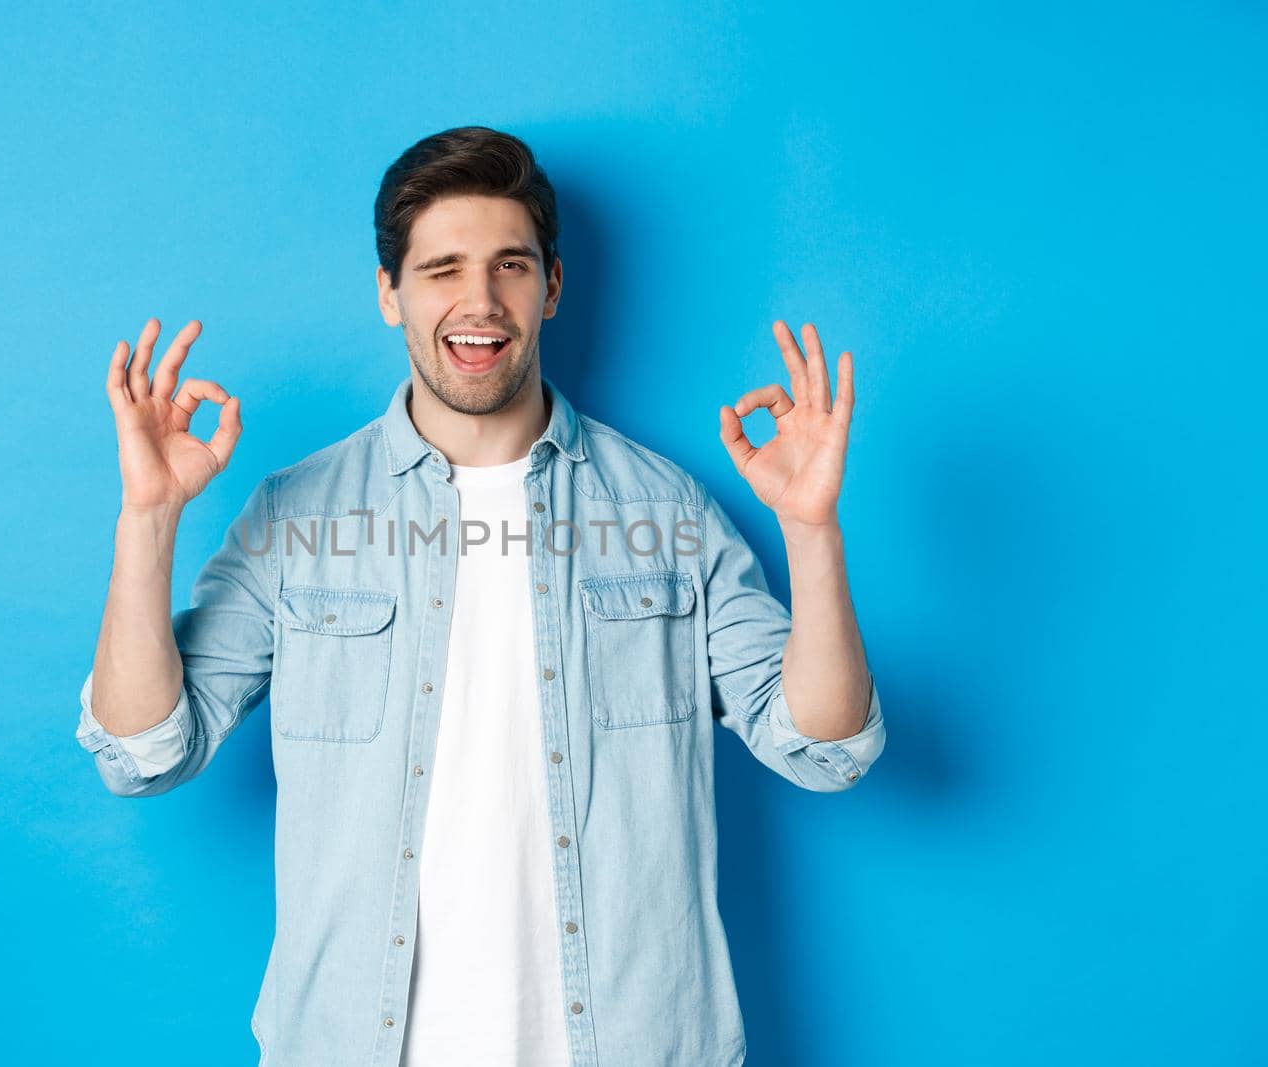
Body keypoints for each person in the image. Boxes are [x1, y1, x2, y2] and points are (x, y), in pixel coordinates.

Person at [75, 125, 886, 1067]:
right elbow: (141, 752)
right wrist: (147, 517)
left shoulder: (668, 512)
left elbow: (826, 749)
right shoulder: (297, 517)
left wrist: (812, 531)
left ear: (552, 286)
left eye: (510, 265)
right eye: (441, 268)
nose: (479, 302)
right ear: (390, 293)